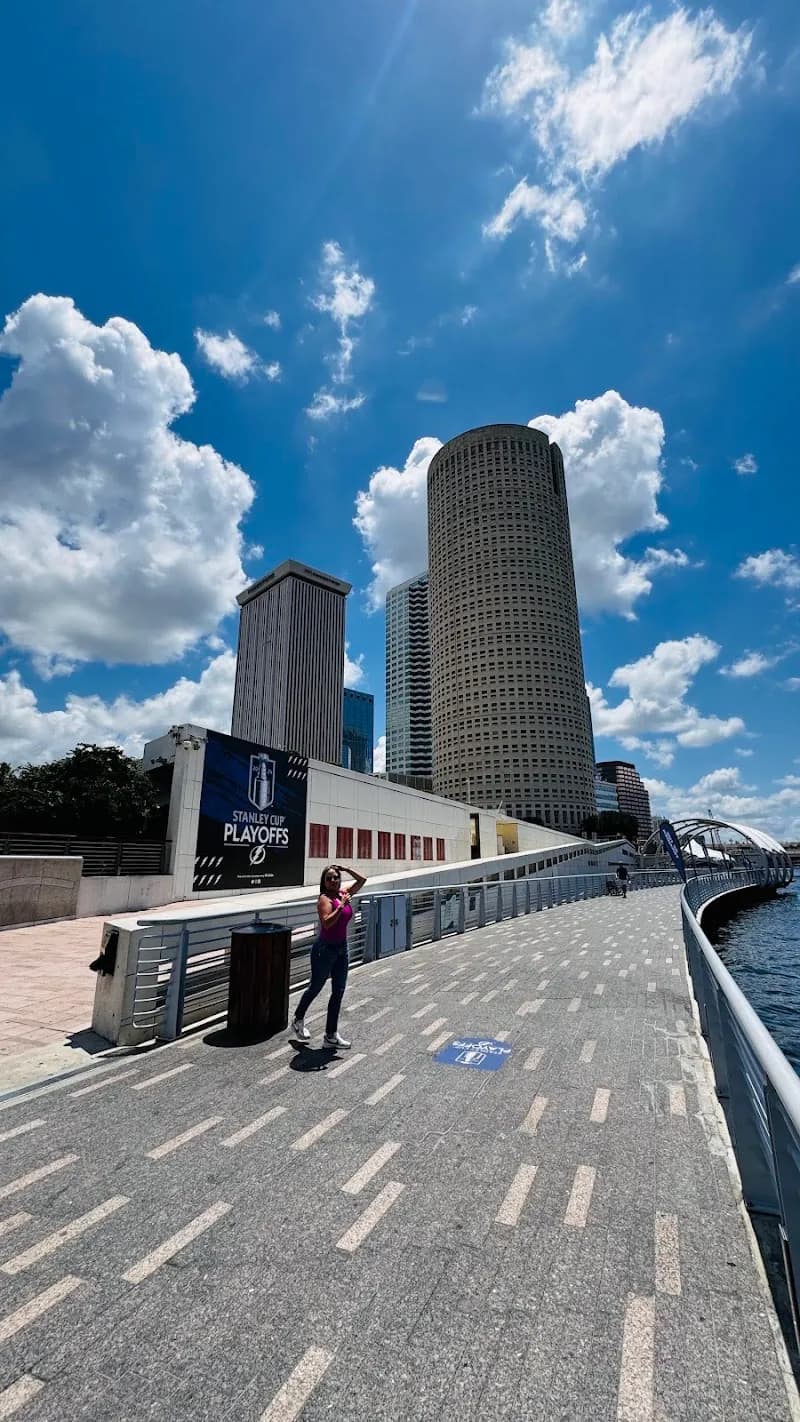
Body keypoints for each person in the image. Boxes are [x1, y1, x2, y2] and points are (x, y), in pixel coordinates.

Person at [291, 863, 367, 1049]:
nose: (333, 880)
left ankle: (331, 1036)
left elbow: (362, 880)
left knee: (338, 991)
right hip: (324, 950)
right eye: (329, 878)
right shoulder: (324, 899)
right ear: (324, 882)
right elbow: (326, 923)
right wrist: (341, 906)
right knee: (316, 987)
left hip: (342, 949)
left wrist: (346, 869)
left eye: (336, 877)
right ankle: (298, 1019)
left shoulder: (343, 893)